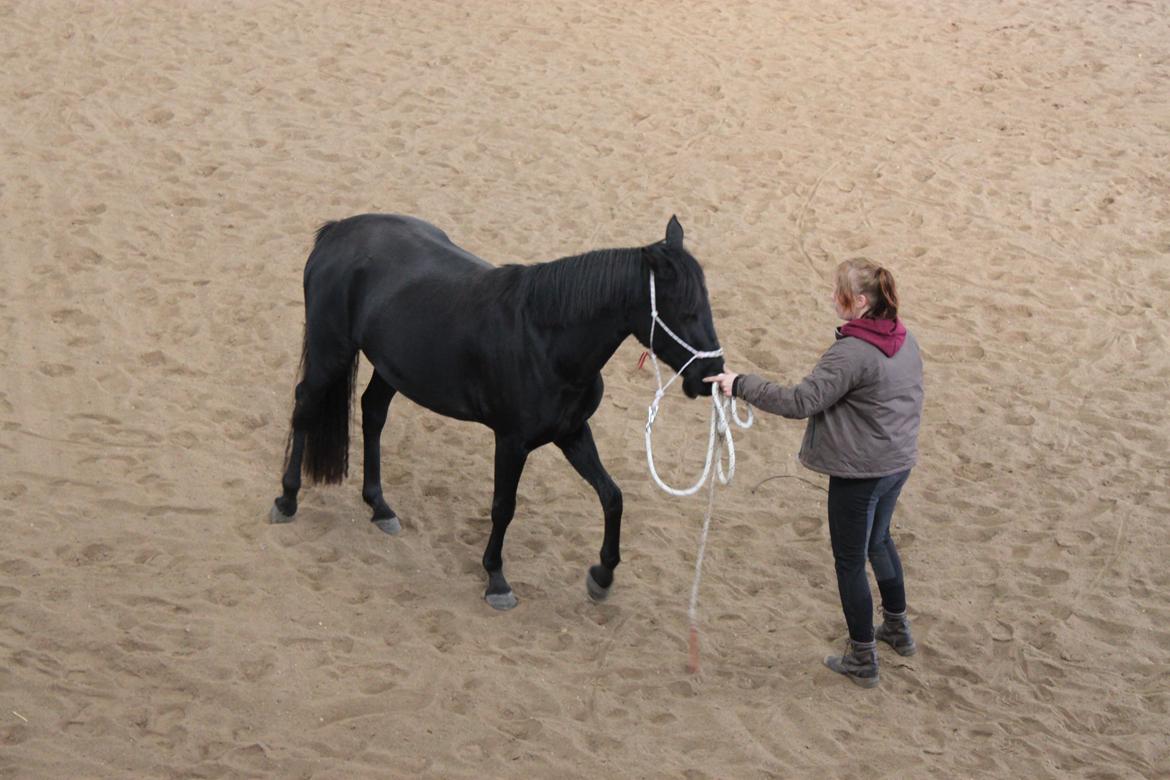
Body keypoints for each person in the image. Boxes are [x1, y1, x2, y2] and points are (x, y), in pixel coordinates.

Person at [705, 257, 924, 688]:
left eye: (838, 291)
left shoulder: (851, 353)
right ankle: (897, 630)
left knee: (848, 561)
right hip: (897, 463)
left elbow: (800, 401)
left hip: (862, 472)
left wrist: (740, 384)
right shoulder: (904, 337)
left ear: (860, 301)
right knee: (878, 541)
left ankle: (863, 658)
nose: (832, 297)